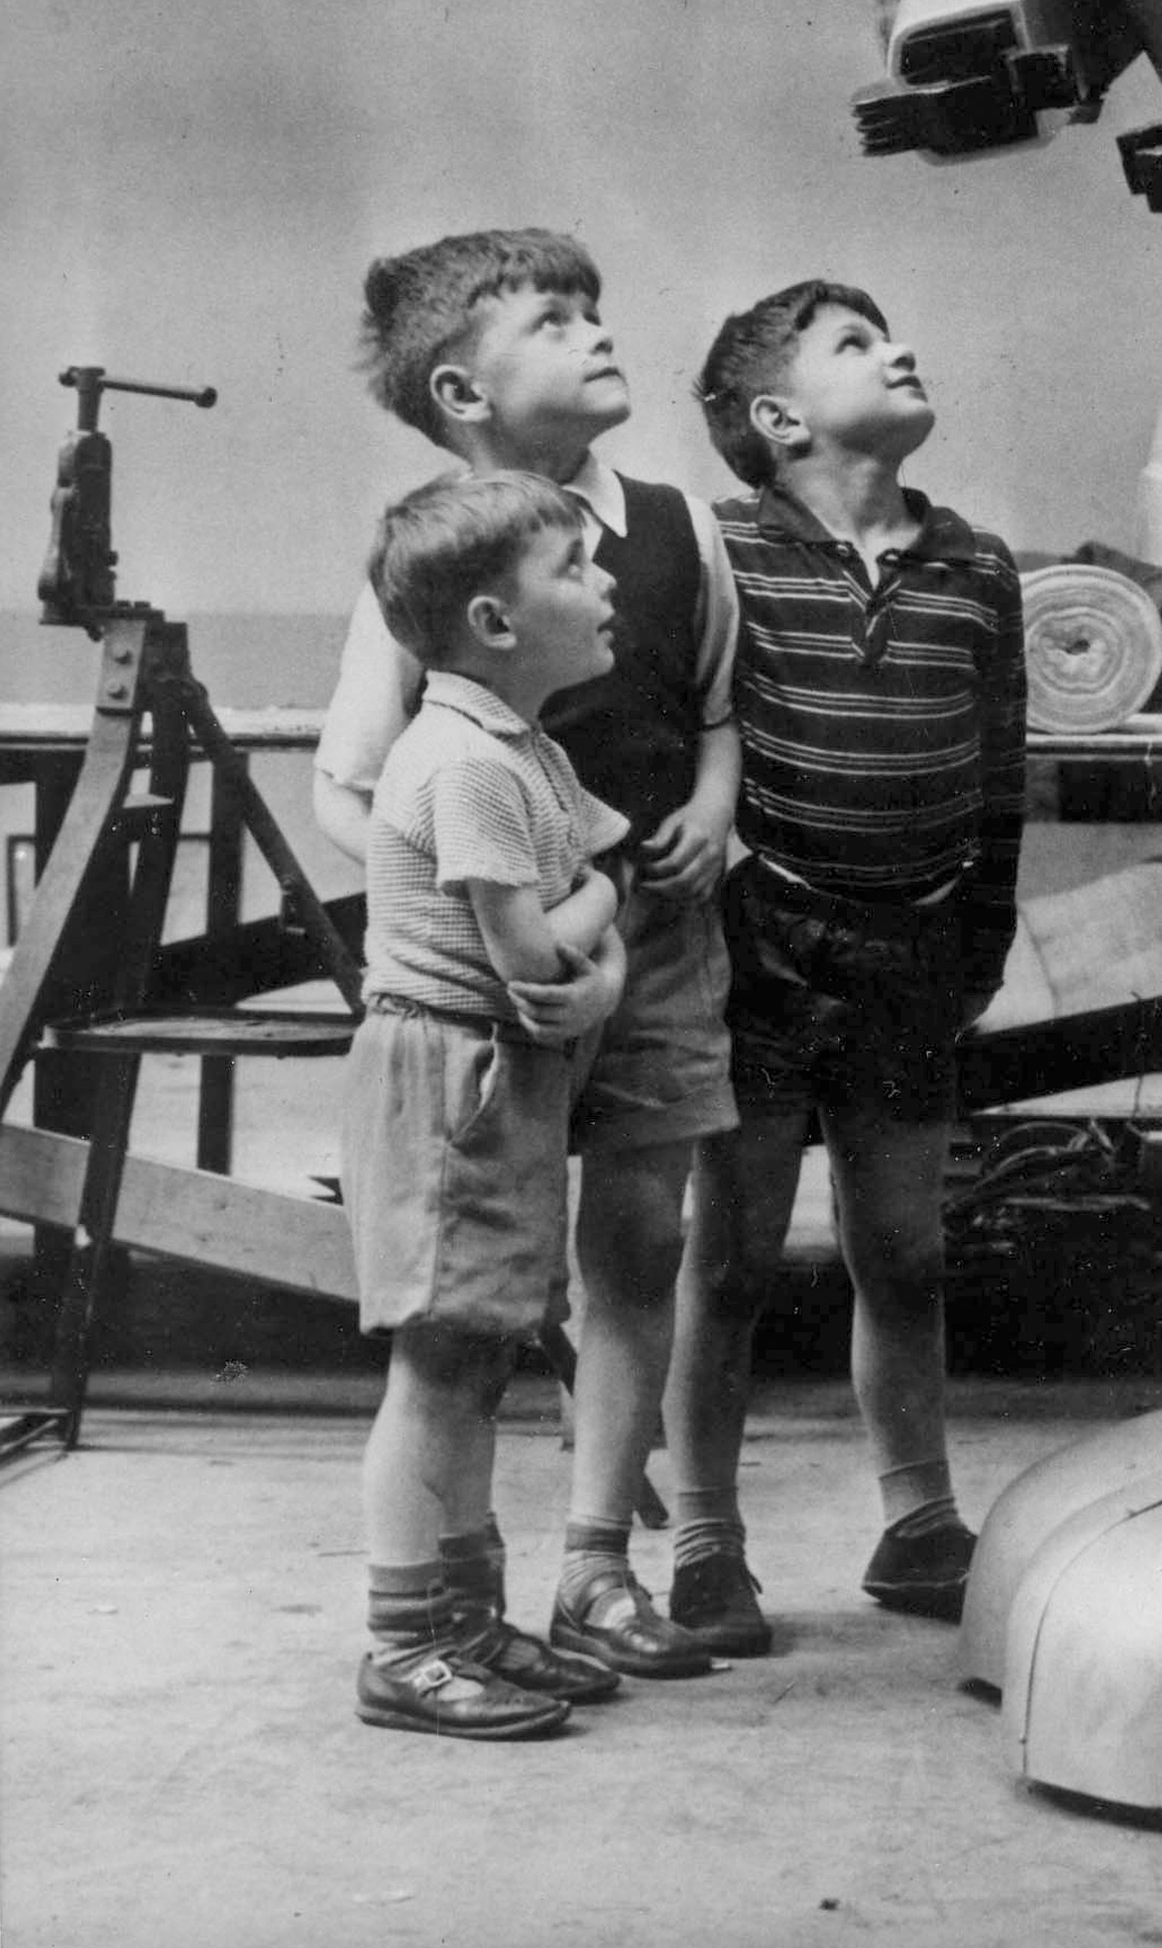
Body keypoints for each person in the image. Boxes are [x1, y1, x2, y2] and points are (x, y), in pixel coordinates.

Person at [314, 229, 746, 1674]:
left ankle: (597, 1568)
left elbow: (717, 713)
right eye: (551, 320)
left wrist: (711, 812)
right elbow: (352, 783)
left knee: (640, 1247)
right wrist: (471, 940)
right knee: (480, 1299)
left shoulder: (676, 529)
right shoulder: (440, 562)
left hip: (656, 941)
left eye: (592, 309)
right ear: (462, 392)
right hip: (506, 986)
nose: (593, 332)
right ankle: (446, 1607)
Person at [664, 280, 1026, 1632]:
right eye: (856, 345)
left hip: (916, 947)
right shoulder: (718, 551)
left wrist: (981, 932)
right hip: (758, 943)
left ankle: (919, 1524)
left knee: (906, 1254)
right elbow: (678, 731)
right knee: (730, 1262)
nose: (901, 348)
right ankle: (705, 1539)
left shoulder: (979, 564)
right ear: (777, 417)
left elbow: (1003, 769)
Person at [343, 468, 630, 1739]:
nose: (605, 582)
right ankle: (406, 1642)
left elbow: (591, 898)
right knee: (439, 1360)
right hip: (450, 1076)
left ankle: (462, 1618)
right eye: (574, 566)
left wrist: (596, 940)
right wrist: (601, 926)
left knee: (474, 1357)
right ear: (494, 622)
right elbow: (535, 950)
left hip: (496, 1072)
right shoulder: (464, 760)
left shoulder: (525, 748)